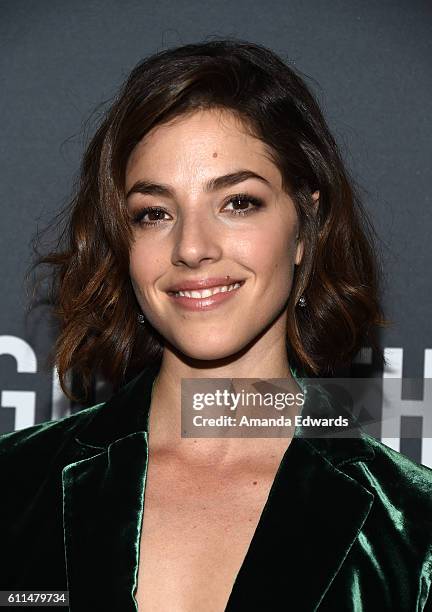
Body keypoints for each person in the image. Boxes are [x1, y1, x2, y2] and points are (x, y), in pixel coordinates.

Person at [0, 39, 431, 612]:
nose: (192, 248)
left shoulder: (410, 532)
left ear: (306, 224)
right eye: (154, 213)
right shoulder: (13, 486)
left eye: (238, 203)